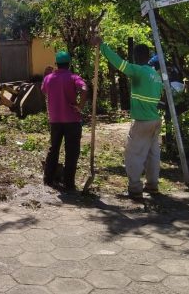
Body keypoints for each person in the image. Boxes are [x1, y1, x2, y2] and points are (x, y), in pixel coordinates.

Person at [92, 37, 163, 200]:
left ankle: (135, 188)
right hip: (155, 121)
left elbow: (118, 63)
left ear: (136, 57)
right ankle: (152, 185)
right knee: (153, 154)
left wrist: (102, 46)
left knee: (134, 154)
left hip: (142, 122)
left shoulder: (138, 71)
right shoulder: (156, 75)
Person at [40, 51, 88, 192]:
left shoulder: (49, 78)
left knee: (53, 149)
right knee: (72, 151)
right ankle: (69, 183)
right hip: (72, 120)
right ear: (69, 64)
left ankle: (48, 179)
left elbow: (44, 91)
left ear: (57, 64)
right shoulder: (73, 77)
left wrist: (46, 76)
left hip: (55, 120)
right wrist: (80, 106)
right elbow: (84, 89)